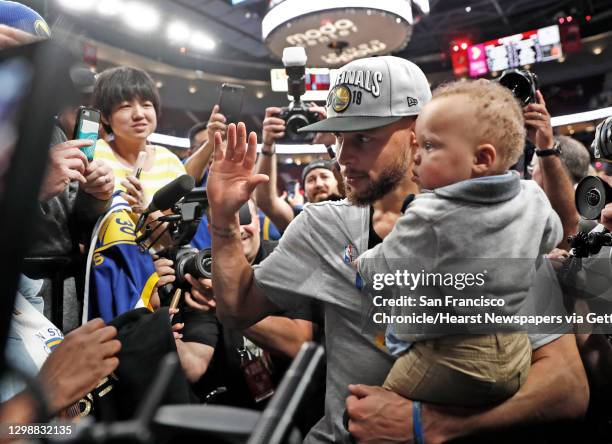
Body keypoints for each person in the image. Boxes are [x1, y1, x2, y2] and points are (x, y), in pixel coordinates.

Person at [206, 56, 588, 443]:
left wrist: (432, 426)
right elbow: (237, 310)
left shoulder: (491, 227)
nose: (342, 157)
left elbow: (568, 386)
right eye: (338, 138)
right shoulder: (321, 227)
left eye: (363, 138)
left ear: (416, 134)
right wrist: (222, 220)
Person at [355, 79, 562, 406]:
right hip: (515, 352)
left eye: (429, 146)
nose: (416, 158)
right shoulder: (533, 196)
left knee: (373, 410)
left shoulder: (429, 214)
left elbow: (384, 267)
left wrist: (361, 265)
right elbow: (552, 236)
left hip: (456, 357)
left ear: (481, 158)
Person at [92, 66, 186, 213]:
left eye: (146, 105)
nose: (139, 114)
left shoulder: (170, 162)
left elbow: (176, 233)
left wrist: (145, 210)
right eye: (126, 106)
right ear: (105, 116)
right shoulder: (94, 154)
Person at [253, 106, 341, 231]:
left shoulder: (355, 210)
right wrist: (268, 145)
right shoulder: (298, 220)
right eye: (310, 180)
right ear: (304, 191)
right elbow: (266, 201)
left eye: (324, 176)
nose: (318, 184)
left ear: (339, 181)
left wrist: (336, 136)